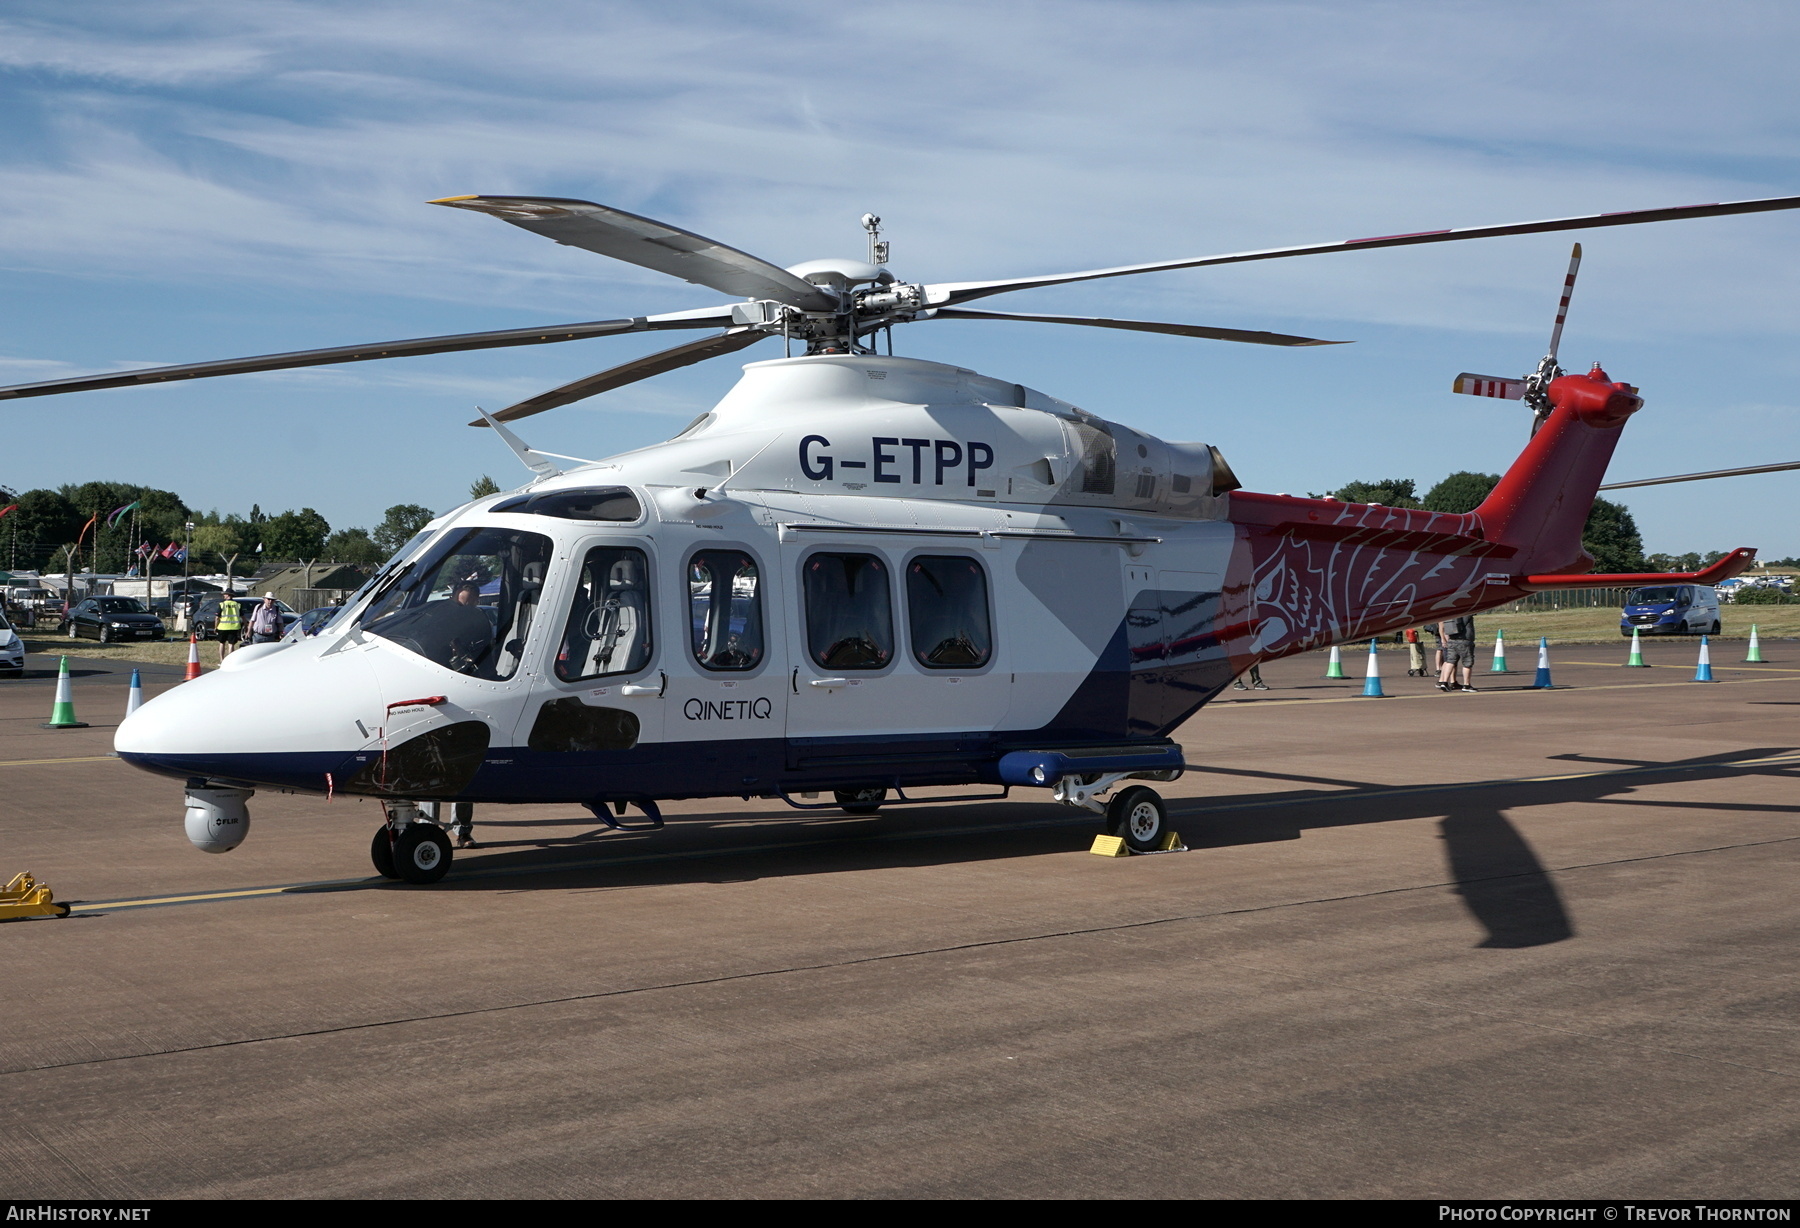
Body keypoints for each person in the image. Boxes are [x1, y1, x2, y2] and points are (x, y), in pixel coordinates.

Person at [1437, 614, 1478, 692]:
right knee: (1467, 663)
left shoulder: (1450, 615)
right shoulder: (1466, 614)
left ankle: (1444, 682)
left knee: (1450, 661)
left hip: (1452, 640)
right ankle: (1466, 685)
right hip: (1464, 640)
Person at [215, 592, 243, 662]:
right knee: (231, 644)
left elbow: (217, 617)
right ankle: (230, 661)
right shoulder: (237, 604)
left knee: (222, 643)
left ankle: (222, 660)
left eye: (225, 594)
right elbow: (243, 616)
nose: (224, 595)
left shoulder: (222, 604)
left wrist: (215, 627)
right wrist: (245, 625)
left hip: (223, 627)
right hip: (234, 627)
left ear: (228, 595)